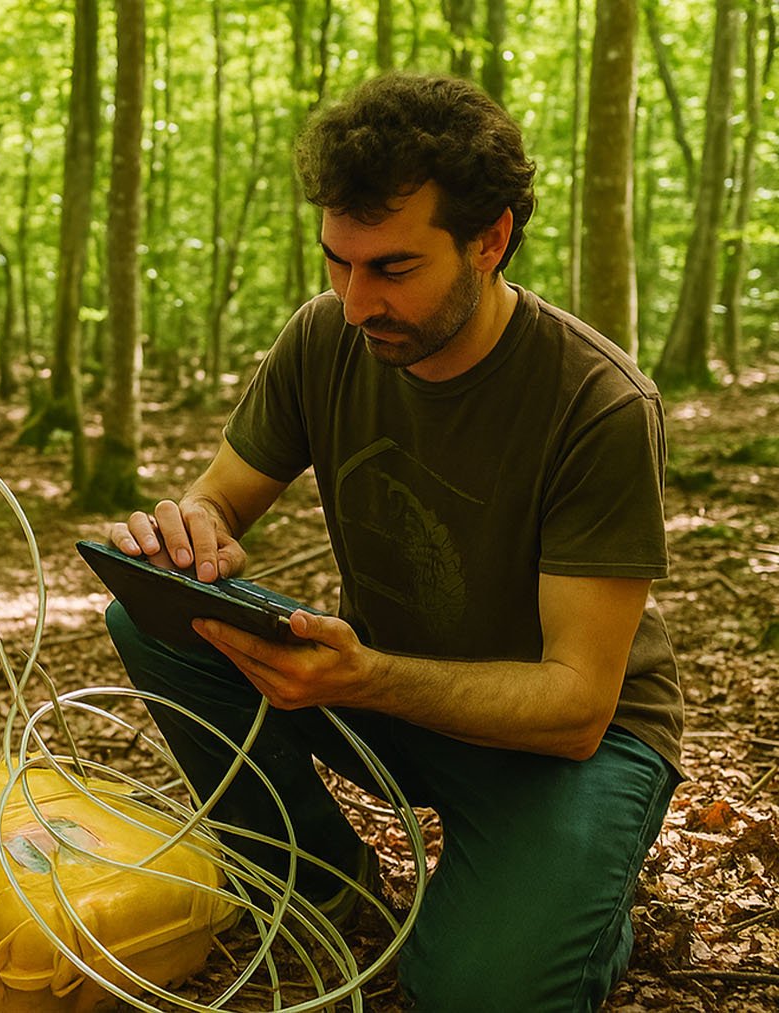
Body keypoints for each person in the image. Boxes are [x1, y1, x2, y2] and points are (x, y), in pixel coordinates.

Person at [102, 73, 681, 1012]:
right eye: (337, 260)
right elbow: (219, 499)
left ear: (490, 239)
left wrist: (365, 676)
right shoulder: (324, 336)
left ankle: (579, 912)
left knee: (475, 990)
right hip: (387, 692)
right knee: (148, 609)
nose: (355, 297)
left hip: (569, 744)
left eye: (393, 268)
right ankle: (322, 883)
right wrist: (189, 538)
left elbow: (577, 703)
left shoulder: (598, 404)